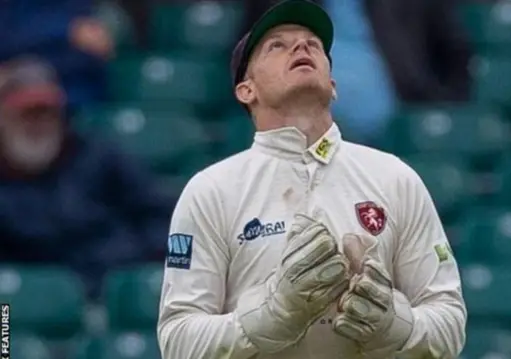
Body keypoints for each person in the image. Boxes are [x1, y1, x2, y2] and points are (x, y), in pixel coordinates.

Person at [157, 1, 466, 358]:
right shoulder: (210, 190)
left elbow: (450, 322)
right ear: (246, 90)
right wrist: (273, 314)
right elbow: (178, 340)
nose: (301, 47)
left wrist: (393, 325)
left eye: (313, 44)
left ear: (332, 85)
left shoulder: (396, 178)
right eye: (277, 45)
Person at [0, 56, 171, 298]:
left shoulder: (97, 156)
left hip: (108, 293)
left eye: (47, 112)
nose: (38, 124)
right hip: (20, 306)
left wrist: (125, 265)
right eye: (27, 114)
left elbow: (161, 218)